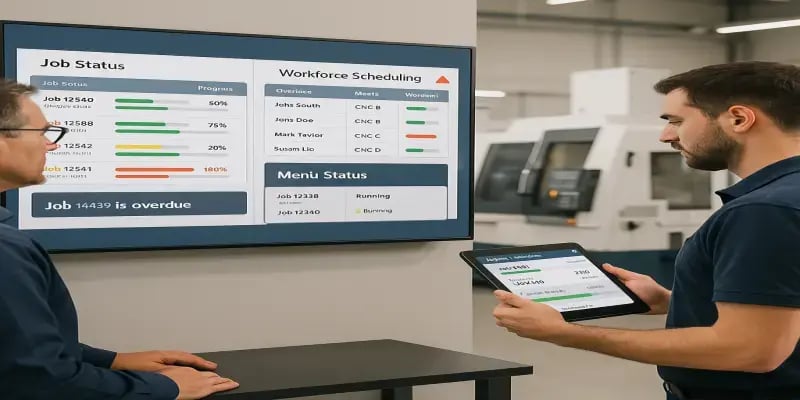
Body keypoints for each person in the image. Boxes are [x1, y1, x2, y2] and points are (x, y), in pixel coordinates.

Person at [493, 61, 800, 400]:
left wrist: (562, 332)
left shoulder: (763, 211)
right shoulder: (783, 198)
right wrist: (677, 300)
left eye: (676, 121)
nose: (666, 135)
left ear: (739, 119)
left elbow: (749, 351)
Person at [0, 79, 240, 399]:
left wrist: (112, 361)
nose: (52, 145)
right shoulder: (5, 250)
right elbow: (41, 381)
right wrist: (165, 387)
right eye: (43, 133)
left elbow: (13, 346)